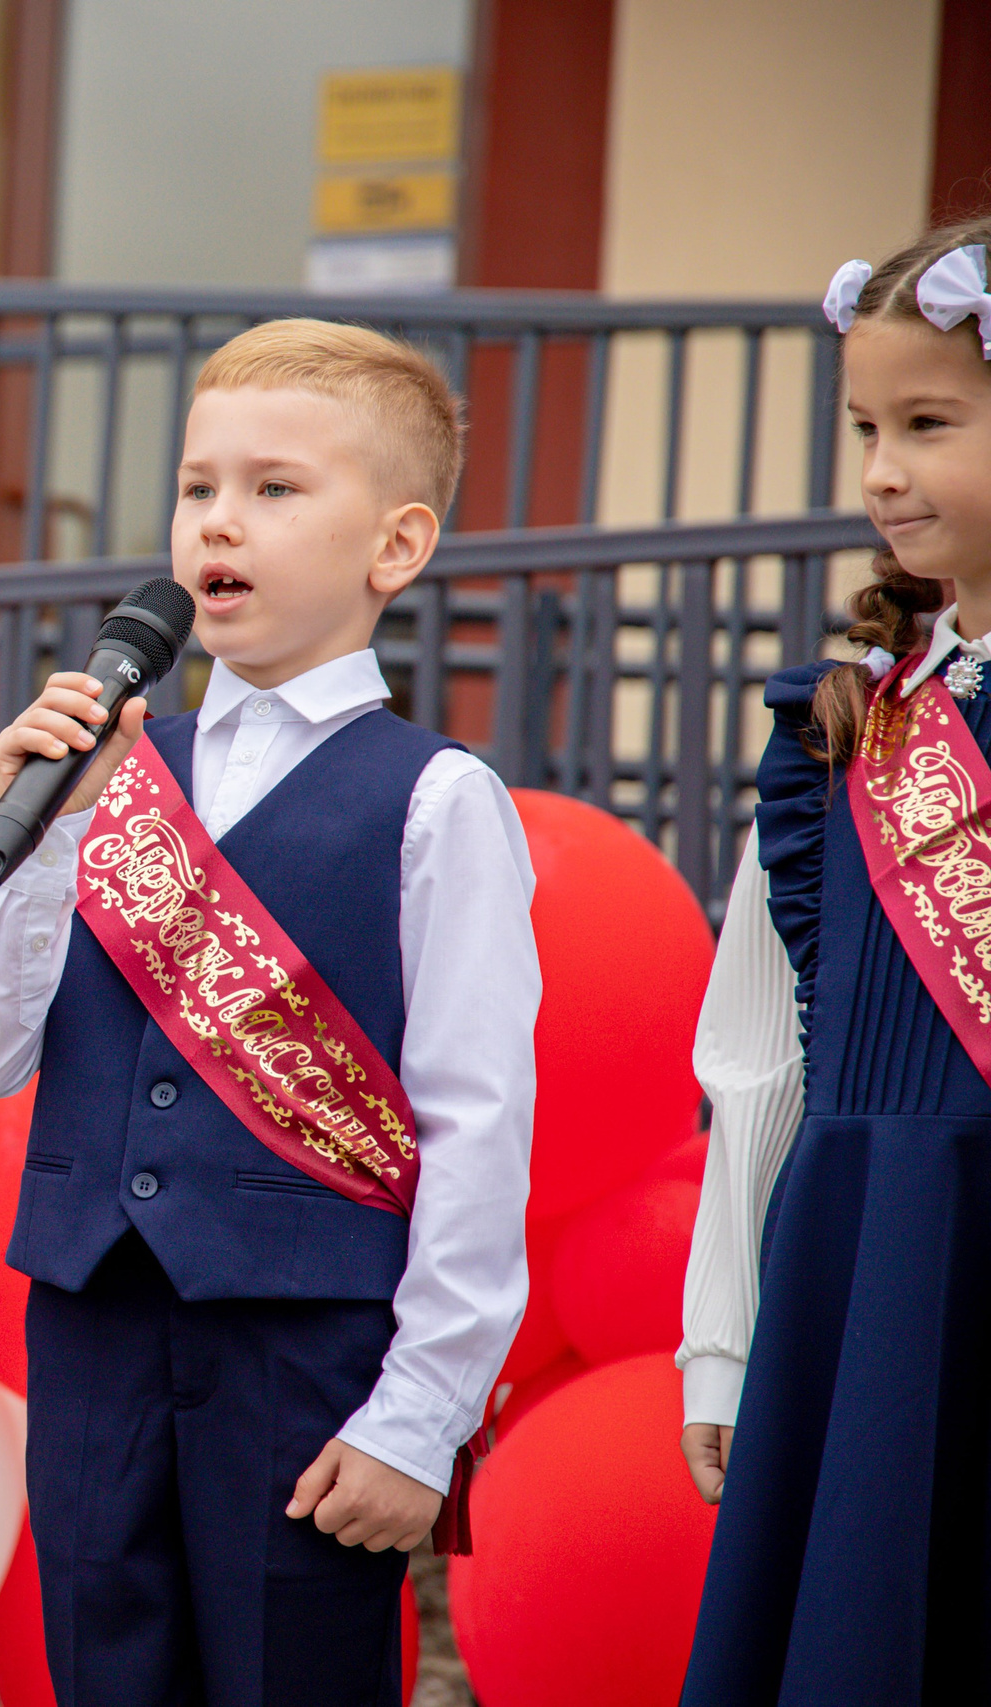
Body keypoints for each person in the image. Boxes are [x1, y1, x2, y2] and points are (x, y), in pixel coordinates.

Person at [0, 319, 538, 1706]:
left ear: (395, 545)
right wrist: (37, 841)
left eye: (276, 489)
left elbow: (477, 1123)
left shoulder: (437, 800)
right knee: (100, 1663)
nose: (222, 520)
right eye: (200, 486)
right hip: (92, 1327)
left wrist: (419, 1416)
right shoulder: (110, 770)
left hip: (303, 1346)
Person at [677, 221, 991, 1705]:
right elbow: (758, 1053)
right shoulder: (843, 733)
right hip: (856, 1272)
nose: (881, 468)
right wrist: (727, 1333)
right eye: (867, 424)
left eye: (930, 423)